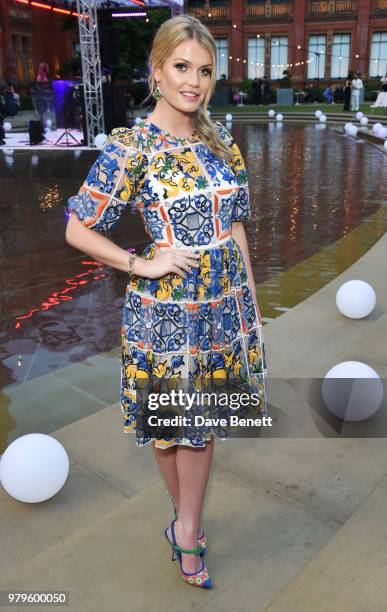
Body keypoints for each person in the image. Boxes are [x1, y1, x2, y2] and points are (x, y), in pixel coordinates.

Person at [65, 15, 268, 590]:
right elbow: (79, 228)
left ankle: (187, 529)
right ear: (157, 71)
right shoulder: (131, 146)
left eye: (204, 70)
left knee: (199, 428)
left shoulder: (221, 139)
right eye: (182, 67)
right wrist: (141, 261)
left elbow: (236, 228)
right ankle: (186, 522)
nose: (194, 81)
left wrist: (249, 300)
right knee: (168, 429)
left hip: (222, 308)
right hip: (164, 310)